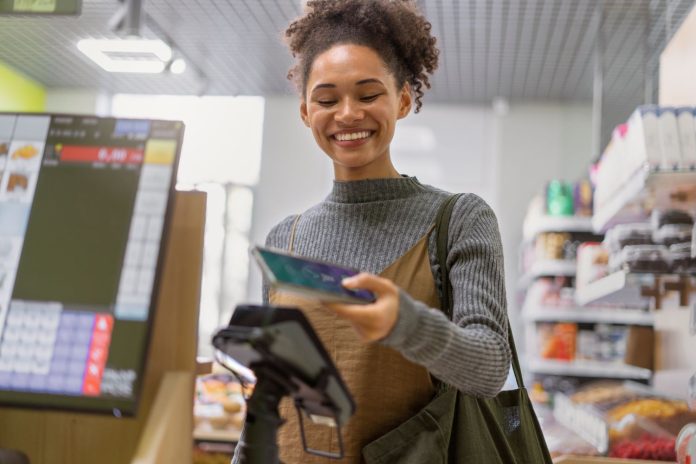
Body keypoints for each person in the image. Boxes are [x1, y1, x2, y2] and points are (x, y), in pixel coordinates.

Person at [259, 0, 511, 462]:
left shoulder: (458, 220)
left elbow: (490, 367)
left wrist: (406, 324)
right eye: (328, 99)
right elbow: (272, 396)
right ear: (305, 111)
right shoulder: (285, 239)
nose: (348, 114)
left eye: (369, 94)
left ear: (403, 99)